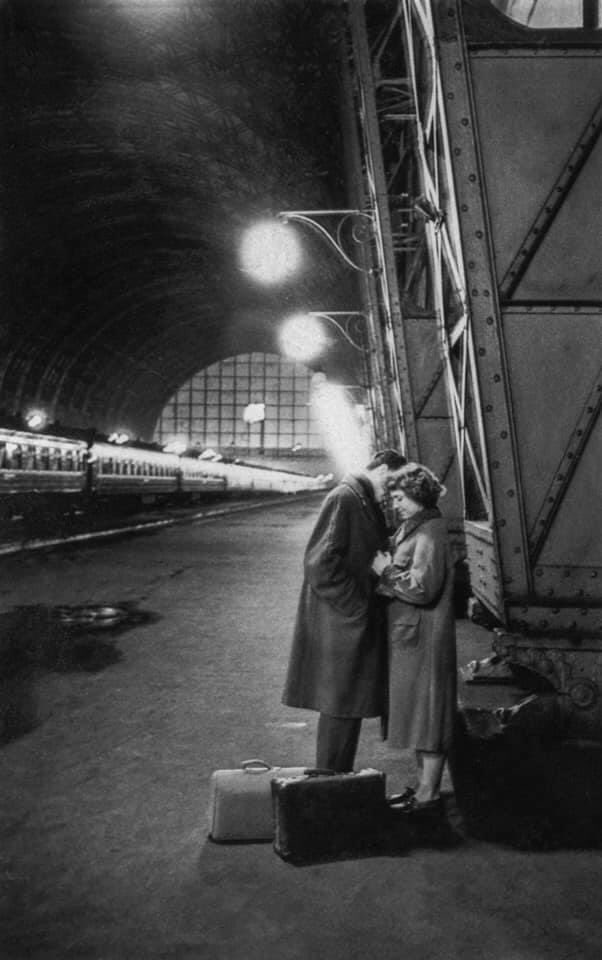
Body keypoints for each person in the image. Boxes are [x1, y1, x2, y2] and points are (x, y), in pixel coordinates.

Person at [282, 449, 407, 773]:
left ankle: (337, 779)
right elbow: (319, 564)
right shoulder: (345, 498)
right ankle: (330, 780)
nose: (393, 492)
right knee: (340, 703)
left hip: (347, 621)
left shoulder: (361, 499)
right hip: (341, 622)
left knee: (347, 703)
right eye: (393, 482)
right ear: (381, 469)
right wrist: (356, 607)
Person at [371, 462, 456, 812]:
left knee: (430, 716)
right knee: (421, 717)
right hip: (413, 636)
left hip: (425, 639)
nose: (395, 504)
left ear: (418, 495)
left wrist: (386, 571)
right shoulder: (416, 526)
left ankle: (428, 794)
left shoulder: (430, 531)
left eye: (400, 498)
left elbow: (423, 589)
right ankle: (423, 788)